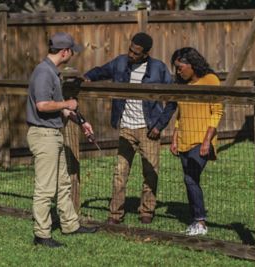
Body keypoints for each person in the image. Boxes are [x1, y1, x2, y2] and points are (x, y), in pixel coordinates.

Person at [84, 32, 177, 224]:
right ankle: (115, 214)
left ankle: (147, 211)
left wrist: (160, 125)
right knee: (120, 173)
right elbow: (101, 70)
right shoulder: (120, 62)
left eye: (136, 53)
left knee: (150, 172)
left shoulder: (158, 68)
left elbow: (173, 98)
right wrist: (87, 77)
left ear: (145, 54)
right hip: (125, 128)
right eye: (130, 50)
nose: (131, 55)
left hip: (148, 128)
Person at [26, 32, 97, 248]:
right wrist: (67, 104)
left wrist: (81, 121)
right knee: (46, 189)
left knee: (64, 183)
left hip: (54, 134)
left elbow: (61, 109)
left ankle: (70, 225)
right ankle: (42, 234)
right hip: (43, 135)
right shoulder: (43, 73)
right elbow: (42, 105)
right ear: (64, 51)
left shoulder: (53, 72)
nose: (72, 55)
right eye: (72, 51)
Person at [169, 47, 223, 236]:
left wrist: (207, 140)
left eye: (180, 67)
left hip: (201, 140)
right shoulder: (182, 85)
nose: (178, 71)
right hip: (184, 139)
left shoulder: (211, 80)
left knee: (190, 178)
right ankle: (195, 220)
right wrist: (174, 138)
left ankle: (200, 222)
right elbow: (180, 114)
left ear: (192, 64)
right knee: (191, 181)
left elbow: (217, 112)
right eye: (176, 68)